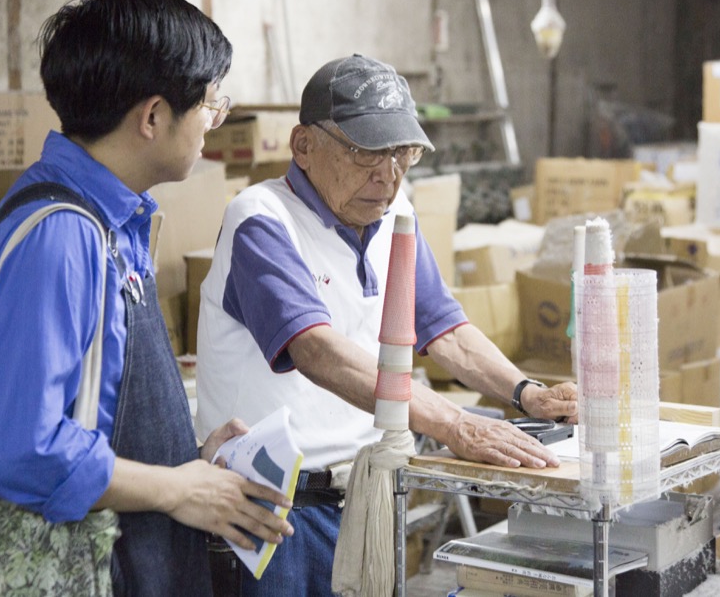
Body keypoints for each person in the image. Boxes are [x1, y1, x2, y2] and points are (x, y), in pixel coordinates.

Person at [195, 53, 578, 596]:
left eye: (403, 154)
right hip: (271, 508)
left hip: (364, 496)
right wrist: (453, 424)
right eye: (365, 152)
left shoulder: (393, 217)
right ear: (303, 145)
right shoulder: (261, 219)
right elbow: (317, 350)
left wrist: (525, 393)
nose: (388, 175)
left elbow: (442, 329)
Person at [0, 0, 293, 596]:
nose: (213, 125)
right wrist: (178, 488)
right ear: (154, 116)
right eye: (212, 105)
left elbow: (94, 415)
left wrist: (184, 460)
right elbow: (18, 447)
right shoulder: (61, 236)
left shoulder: (113, 222)